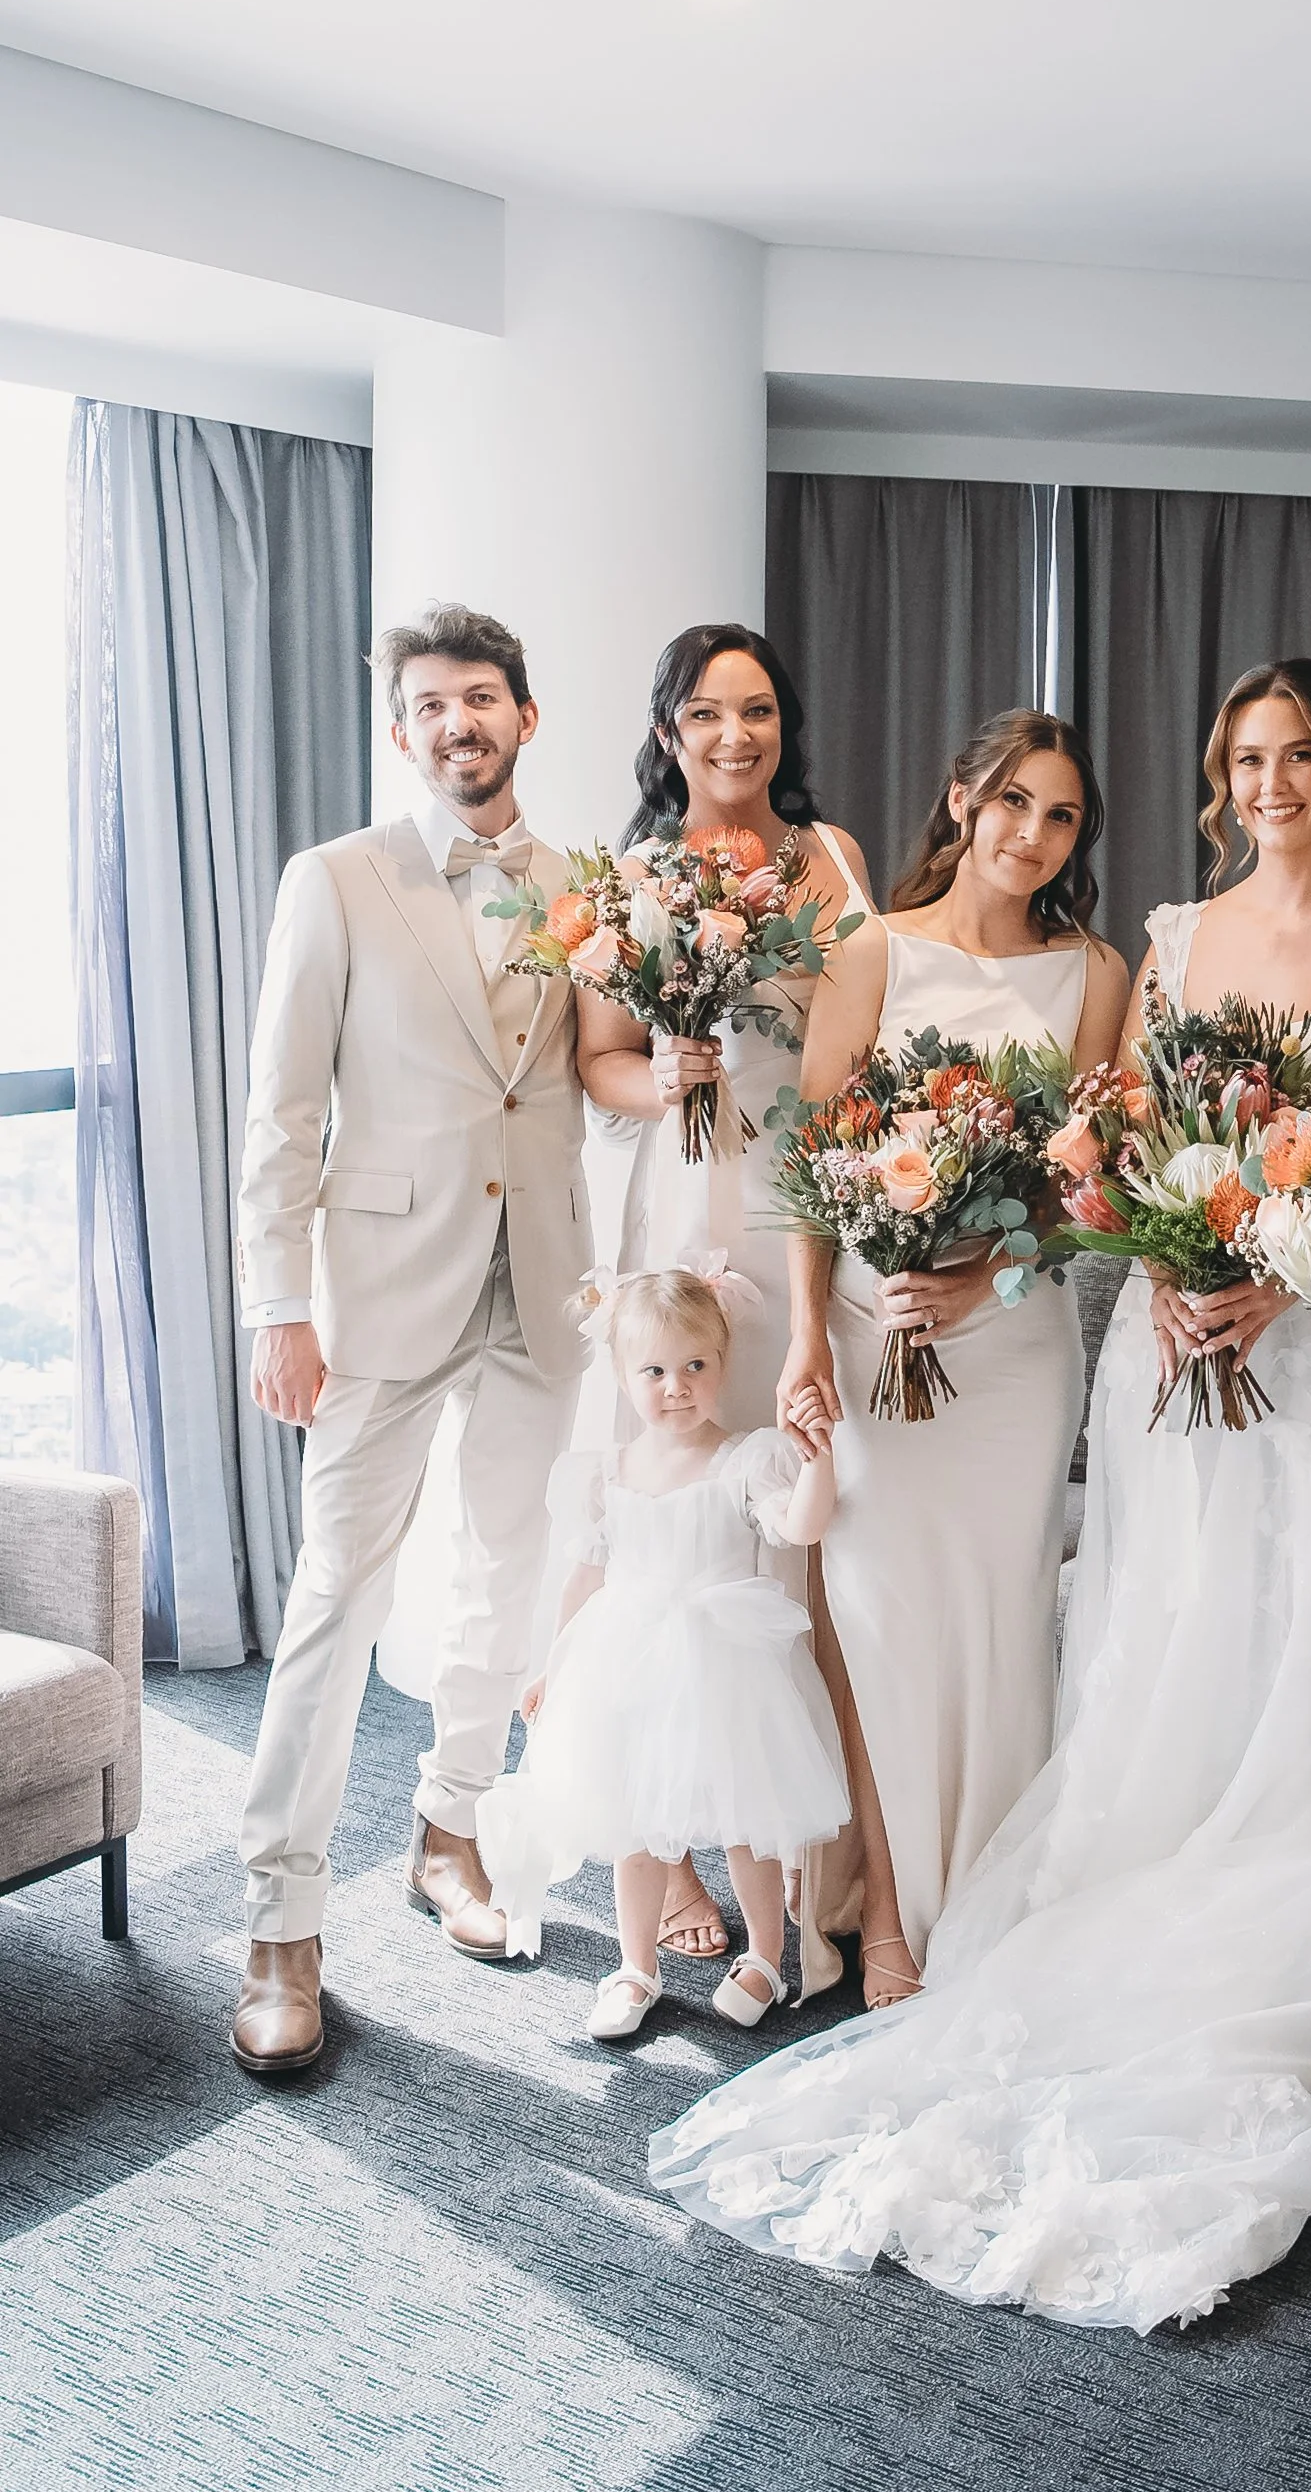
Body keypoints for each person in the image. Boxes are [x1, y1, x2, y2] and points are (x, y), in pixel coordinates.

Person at [651, 657, 1311, 2331]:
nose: (1269, 778)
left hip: (1304, 1353)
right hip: (1161, 1357)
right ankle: (923, 1897)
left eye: (1299, 752)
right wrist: (1173, 1271)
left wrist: (1292, 1280)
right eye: (1244, 754)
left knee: (1294, 1642)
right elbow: (1124, 1161)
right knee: (1146, 1628)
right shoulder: (1170, 941)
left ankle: (1285, 1896)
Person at [231, 606, 591, 2076]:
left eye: (483, 696)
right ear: (403, 731)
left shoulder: (580, 885)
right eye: (431, 703)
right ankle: (276, 1920)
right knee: (337, 1590)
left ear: (524, 714)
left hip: (544, 1275)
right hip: (380, 1280)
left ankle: (452, 1823)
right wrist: (280, 1300)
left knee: (512, 1569)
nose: (460, 721)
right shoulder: (334, 881)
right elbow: (283, 1112)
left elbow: (589, 1065)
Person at [769, 709, 1130, 2003]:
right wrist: (810, 1330)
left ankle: (992, 1889)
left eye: (1062, 815)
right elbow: (812, 1162)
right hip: (878, 1334)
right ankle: (884, 1911)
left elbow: (1077, 1185)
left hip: (1014, 1345)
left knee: (996, 1619)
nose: (1032, 833)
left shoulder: (1093, 973)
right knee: (878, 1626)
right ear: (962, 800)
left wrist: (984, 1267)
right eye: (1014, 802)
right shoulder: (874, 950)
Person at [578, 622, 872, 1968]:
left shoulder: (830, 859)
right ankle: (678, 1852)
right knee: (669, 1514)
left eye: (755, 711)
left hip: (792, 1202)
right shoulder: (630, 875)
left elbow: (859, 1047)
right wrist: (673, 1071)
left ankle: (799, 1854)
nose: (733, 736)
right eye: (706, 714)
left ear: (782, 724)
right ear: (668, 731)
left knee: (782, 1532)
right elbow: (600, 1061)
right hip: (673, 1198)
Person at [476, 1268, 848, 2039]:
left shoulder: (746, 1459)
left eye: (694, 1367)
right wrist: (553, 1663)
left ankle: (766, 1959)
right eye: (653, 1371)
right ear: (621, 1376)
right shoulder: (609, 1471)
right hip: (627, 1661)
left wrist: (819, 1457)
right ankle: (636, 1964)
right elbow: (587, 1573)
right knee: (634, 1824)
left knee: (746, 1822)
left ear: (722, 1365)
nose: (675, 1388)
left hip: (727, 1665)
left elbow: (804, 1528)